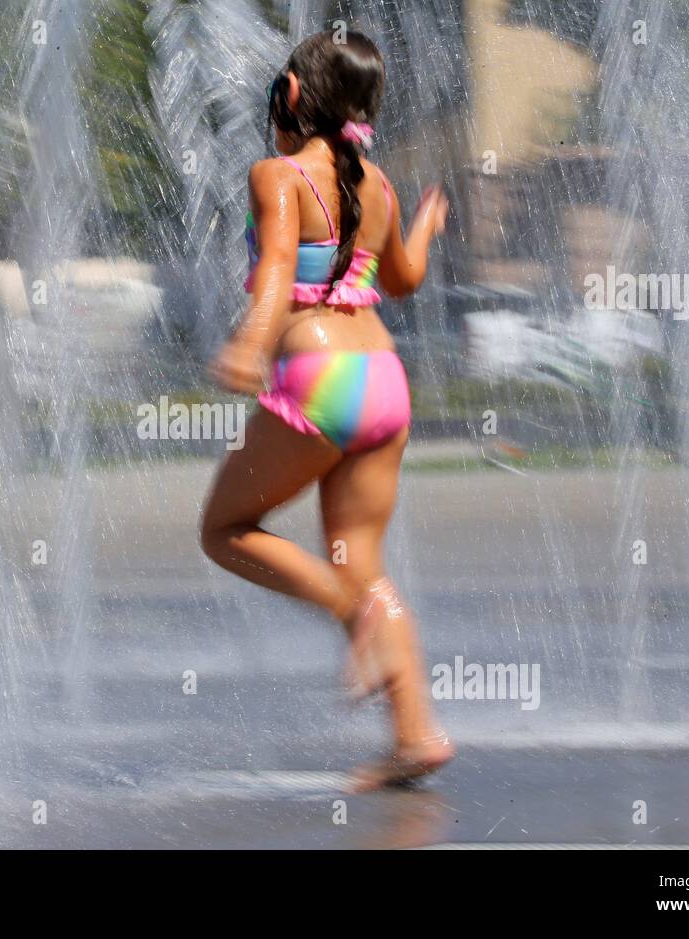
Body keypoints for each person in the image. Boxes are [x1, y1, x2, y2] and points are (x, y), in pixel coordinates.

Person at [200, 30, 451, 790]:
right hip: (384, 382)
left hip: (321, 379)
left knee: (225, 529)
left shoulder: (277, 175)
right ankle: (416, 735)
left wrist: (249, 342)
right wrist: (426, 231)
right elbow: (401, 279)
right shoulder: (378, 184)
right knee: (365, 564)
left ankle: (351, 612)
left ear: (293, 97)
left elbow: (277, 269)